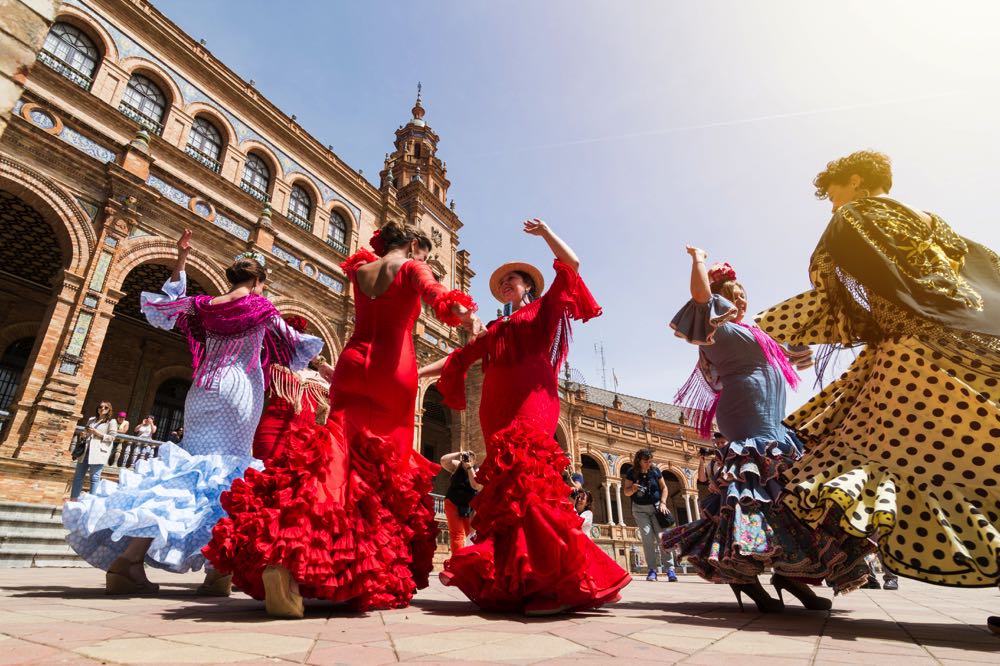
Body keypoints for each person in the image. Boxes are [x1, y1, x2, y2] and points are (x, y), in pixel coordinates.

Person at [755, 150, 1000, 628]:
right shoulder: (937, 225)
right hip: (974, 349)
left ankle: (798, 563)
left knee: (878, 457)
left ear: (855, 181)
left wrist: (773, 325)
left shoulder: (857, 216)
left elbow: (837, 297)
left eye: (833, 194)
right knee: (978, 463)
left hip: (912, 359)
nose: (831, 206)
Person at [204, 221, 480, 617]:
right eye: (425, 254)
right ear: (416, 245)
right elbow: (440, 298)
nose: (427, 261)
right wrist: (463, 314)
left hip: (352, 363)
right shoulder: (412, 267)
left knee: (334, 458)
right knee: (385, 473)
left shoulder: (361, 269)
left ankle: (286, 556)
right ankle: (358, 567)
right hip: (392, 371)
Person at [63, 229, 323, 596]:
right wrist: (323, 368)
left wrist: (182, 258)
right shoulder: (260, 306)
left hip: (201, 390)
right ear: (258, 282)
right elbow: (291, 342)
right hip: (238, 391)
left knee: (187, 472)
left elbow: (169, 304)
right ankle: (217, 571)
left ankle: (130, 561)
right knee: (228, 475)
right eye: (262, 284)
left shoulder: (203, 307)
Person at [421, 218, 630, 615]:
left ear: (528, 287)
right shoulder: (496, 327)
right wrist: (414, 373)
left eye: (513, 281)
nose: (505, 286)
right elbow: (458, 359)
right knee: (508, 493)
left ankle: (553, 581)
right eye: (502, 283)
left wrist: (548, 233)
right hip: (495, 410)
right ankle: (523, 579)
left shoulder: (543, 311)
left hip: (533, 401)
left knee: (529, 479)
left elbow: (573, 266)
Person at [662, 249, 871, 613]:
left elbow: (797, 353)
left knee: (789, 498)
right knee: (754, 496)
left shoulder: (758, 332)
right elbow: (699, 297)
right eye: (733, 295)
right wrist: (698, 260)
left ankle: (792, 574)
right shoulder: (717, 328)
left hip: (775, 423)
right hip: (746, 420)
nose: (741, 301)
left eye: (744, 296)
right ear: (719, 298)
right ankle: (745, 576)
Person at [251, 315, 331, 464]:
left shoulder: (320, 378)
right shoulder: (274, 367)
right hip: (270, 434)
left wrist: (320, 363)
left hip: (304, 445)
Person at [623, 449, 675, 582]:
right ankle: (652, 570)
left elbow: (664, 488)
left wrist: (663, 503)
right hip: (640, 510)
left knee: (662, 537)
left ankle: (670, 569)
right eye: (646, 461)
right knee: (646, 538)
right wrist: (633, 489)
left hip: (656, 508)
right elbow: (626, 492)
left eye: (650, 461)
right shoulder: (631, 472)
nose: (648, 464)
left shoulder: (655, 471)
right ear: (639, 461)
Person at [69, 402, 117, 500]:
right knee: (78, 477)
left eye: (105, 407)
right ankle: (73, 500)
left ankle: (91, 501)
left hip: (98, 452)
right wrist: (83, 435)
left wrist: (96, 433)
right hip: (85, 451)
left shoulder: (111, 422)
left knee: (94, 478)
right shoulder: (91, 420)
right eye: (100, 407)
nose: (102, 408)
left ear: (109, 410)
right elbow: (86, 432)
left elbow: (112, 437)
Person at [440, 450, 482, 554]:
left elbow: (475, 485)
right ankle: (457, 561)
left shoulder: (476, 470)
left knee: (471, 535)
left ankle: (471, 559)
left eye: (470, 457)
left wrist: (469, 467)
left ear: (474, 460)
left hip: (469, 507)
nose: (467, 459)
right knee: (457, 535)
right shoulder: (457, 466)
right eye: (466, 457)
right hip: (453, 503)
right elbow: (443, 460)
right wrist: (459, 453)